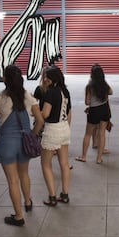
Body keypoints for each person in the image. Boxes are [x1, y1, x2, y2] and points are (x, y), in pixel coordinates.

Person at [0, 65, 43, 226]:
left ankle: (18, 216)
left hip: (6, 143)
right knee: (24, 174)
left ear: (5, 79)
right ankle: (27, 202)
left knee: (12, 180)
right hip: (24, 141)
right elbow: (39, 120)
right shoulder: (28, 96)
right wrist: (32, 134)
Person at [40, 65, 72, 206]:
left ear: (52, 78)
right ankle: (64, 194)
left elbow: (45, 114)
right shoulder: (65, 91)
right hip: (64, 127)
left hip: (52, 130)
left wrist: (34, 112)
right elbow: (69, 112)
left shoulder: (50, 93)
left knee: (46, 164)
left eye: (47, 76)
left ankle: (52, 197)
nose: (45, 79)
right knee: (64, 164)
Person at [76, 64, 113, 164]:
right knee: (102, 134)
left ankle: (83, 156)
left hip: (94, 111)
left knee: (88, 134)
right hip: (104, 109)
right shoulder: (104, 85)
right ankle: (99, 158)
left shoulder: (89, 86)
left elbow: (87, 102)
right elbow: (111, 92)